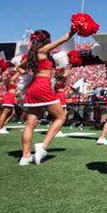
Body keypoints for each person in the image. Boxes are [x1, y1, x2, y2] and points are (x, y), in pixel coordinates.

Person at [17, 29, 75, 165]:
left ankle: (25, 156)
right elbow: (62, 40)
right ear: (45, 39)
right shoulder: (43, 51)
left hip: (32, 88)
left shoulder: (31, 54)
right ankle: (42, 147)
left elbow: (18, 68)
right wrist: (74, 31)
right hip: (43, 88)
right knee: (61, 117)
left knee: (30, 124)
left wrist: (29, 76)